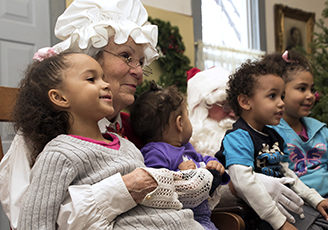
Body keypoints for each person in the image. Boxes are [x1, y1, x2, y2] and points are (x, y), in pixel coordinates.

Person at [0, 0, 205, 229]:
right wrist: (122, 189)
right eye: (126, 56)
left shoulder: (135, 129)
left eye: (141, 61)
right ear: (90, 57)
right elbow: (27, 219)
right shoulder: (42, 136)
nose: (138, 72)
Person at [215, 58, 328, 230]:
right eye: (273, 96)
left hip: (289, 205)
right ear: (245, 102)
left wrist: (317, 201)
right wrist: (280, 223)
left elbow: (288, 174)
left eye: (282, 96)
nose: (281, 103)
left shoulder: (274, 136)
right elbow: (244, 183)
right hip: (260, 215)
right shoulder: (238, 137)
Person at [187, 66, 307, 225]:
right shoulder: (188, 147)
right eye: (225, 106)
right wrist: (241, 183)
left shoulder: (262, 134)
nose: (232, 113)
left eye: (233, 106)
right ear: (201, 109)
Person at [129, 81, 230, 230]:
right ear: (180, 123)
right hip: (175, 218)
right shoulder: (154, 152)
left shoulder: (186, 148)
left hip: (202, 216)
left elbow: (202, 160)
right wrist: (179, 174)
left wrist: (213, 163)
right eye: (187, 116)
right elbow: (154, 186)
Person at [267, 50, 328, 219]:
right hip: (301, 199)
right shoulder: (271, 131)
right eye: (302, 88)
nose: (310, 96)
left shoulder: (319, 128)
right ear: (280, 92)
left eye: (312, 89)